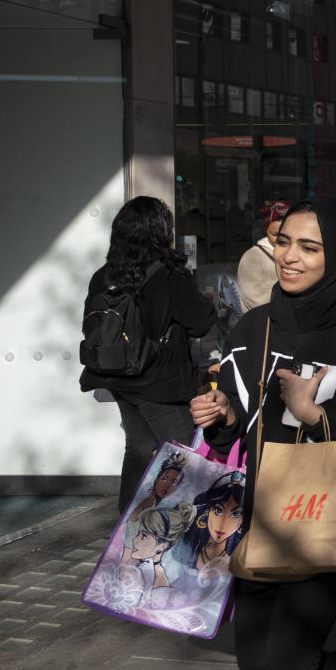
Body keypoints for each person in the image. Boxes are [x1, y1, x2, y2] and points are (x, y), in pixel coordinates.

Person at [190, 197, 336, 670]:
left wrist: (316, 414)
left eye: (309, 247)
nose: (290, 256)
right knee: (256, 658)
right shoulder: (252, 328)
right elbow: (236, 418)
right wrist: (218, 413)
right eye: (284, 242)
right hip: (260, 515)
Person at [80, 196, 216, 515]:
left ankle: (127, 527)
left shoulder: (103, 275)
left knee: (139, 449)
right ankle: (192, 535)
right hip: (160, 382)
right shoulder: (169, 274)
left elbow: (91, 322)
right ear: (159, 231)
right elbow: (200, 322)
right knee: (185, 453)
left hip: (119, 376)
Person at [172, 470, 245, 574]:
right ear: (207, 511)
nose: (223, 524)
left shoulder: (236, 565)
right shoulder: (181, 553)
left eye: (236, 514)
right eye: (218, 511)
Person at [237, 199, 290, 312]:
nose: (279, 239)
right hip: (264, 325)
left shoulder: (294, 254)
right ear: (266, 231)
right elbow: (255, 298)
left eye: (285, 234)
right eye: (274, 234)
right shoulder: (252, 256)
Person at [127, 448, 189, 523]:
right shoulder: (146, 503)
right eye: (164, 479)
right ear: (156, 480)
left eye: (174, 483)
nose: (167, 485)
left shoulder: (170, 508)